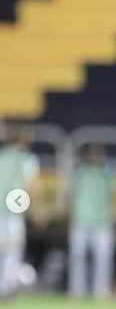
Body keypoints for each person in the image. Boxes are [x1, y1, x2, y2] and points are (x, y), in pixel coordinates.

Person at [67, 143, 116, 299]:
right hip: (81, 219)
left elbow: (113, 197)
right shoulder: (80, 173)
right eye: (93, 154)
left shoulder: (107, 174)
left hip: (102, 220)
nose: (96, 158)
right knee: (77, 256)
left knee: (103, 257)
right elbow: (72, 196)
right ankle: (77, 290)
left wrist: (113, 218)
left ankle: (101, 290)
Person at [0, 127, 44, 299]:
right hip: (12, 211)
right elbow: (33, 185)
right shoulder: (26, 159)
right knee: (13, 250)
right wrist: (38, 210)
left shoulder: (2, 157)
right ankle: (6, 287)